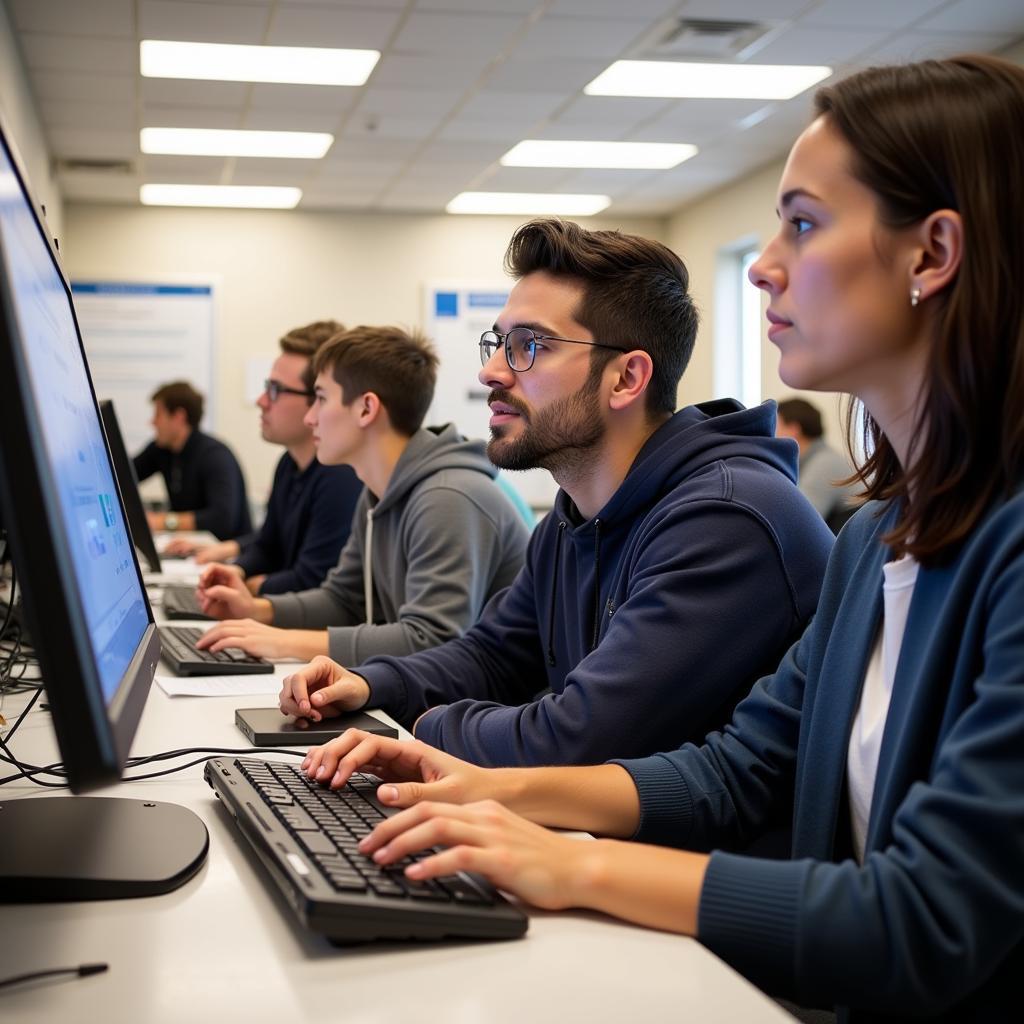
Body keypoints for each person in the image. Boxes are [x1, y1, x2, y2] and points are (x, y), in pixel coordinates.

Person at [296, 55, 1024, 1021]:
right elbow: (736, 765)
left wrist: (571, 863)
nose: (763, 263)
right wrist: (487, 788)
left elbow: (917, 918)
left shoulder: (955, 544)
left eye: (802, 223)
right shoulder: (878, 539)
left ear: (932, 255)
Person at [279, 219, 834, 768]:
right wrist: (371, 685)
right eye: (498, 343)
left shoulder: (725, 520)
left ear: (626, 378)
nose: (491, 371)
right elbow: (493, 656)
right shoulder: (572, 518)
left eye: (529, 346)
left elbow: (582, 737)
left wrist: (422, 729)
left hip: (689, 855)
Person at [195, 325, 530, 662]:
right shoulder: (377, 494)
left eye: (322, 399)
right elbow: (343, 600)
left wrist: (280, 642)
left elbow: (431, 640)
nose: (311, 418)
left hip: (498, 707)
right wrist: (256, 610)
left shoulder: (447, 497)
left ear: (366, 409)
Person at [165, 321, 363, 596]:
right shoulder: (288, 463)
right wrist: (236, 571)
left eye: (275, 390)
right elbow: (267, 546)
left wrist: (247, 587)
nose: (261, 400)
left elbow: (313, 581)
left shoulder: (341, 476)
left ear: (318, 398)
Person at [132, 380, 250, 540]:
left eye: (158, 415)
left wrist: (162, 521)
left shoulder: (215, 456)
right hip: (188, 546)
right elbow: (124, 476)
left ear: (179, 417)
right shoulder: (161, 450)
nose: (152, 422)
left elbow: (222, 520)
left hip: (226, 553)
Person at [776, 397, 857, 532]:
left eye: (775, 426)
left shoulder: (824, 463)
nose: (771, 434)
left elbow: (798, 522)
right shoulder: (818, 459)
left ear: (793, 429)